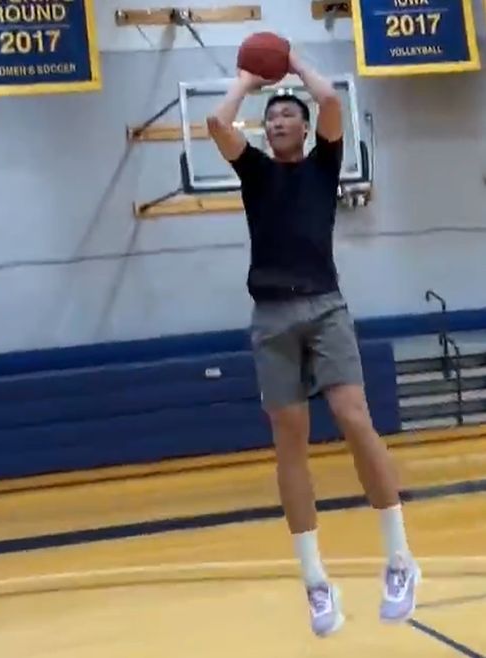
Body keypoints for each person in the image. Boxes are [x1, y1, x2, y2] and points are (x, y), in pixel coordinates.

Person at [206, 48, 421, 637]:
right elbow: (218, 124)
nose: (277, 121)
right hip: (271, 317)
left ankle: (400, 559)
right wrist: (247, 79)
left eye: (287, 116)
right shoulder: (255, 171)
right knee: (290, 444)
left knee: (354, 418)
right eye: (271, 117)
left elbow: (329, 100)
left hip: (325, 307)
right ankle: (316, 583)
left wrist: (293, 61)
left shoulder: (325, 164)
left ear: (304, 129)